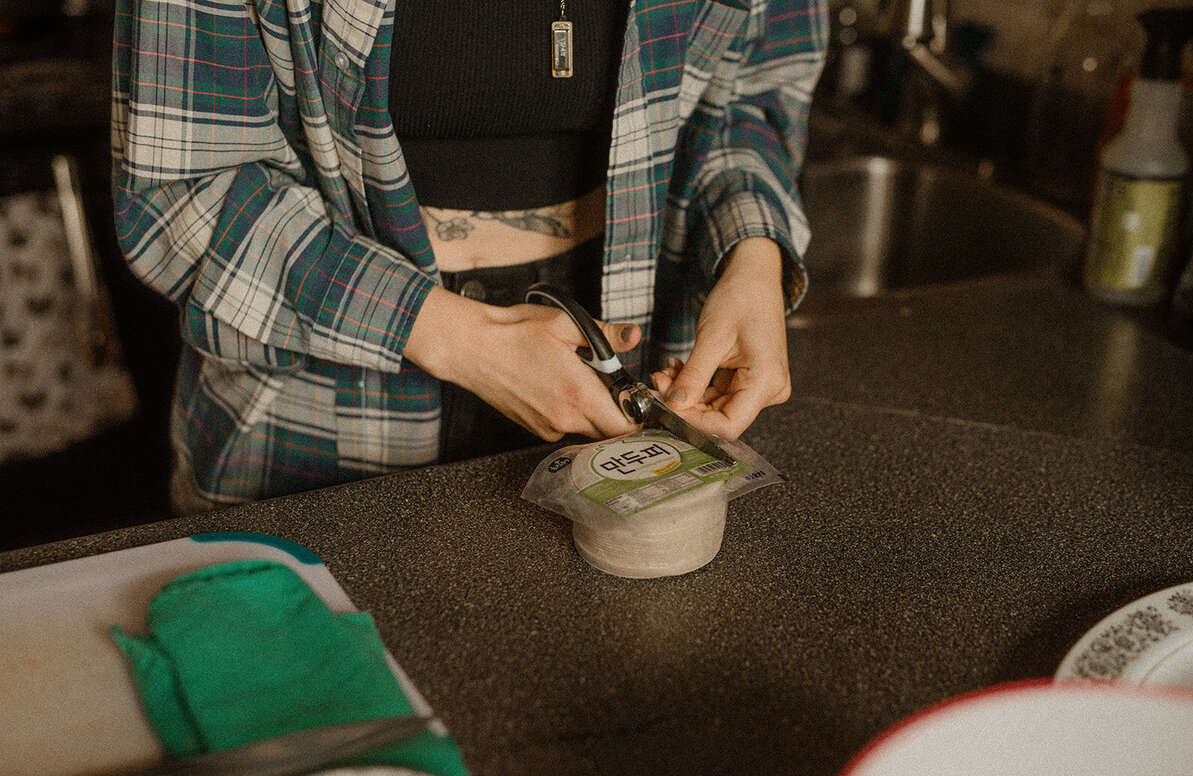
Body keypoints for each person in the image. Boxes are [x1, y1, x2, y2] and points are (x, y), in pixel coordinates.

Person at [112, 0, 828, 514]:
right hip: (322, 410)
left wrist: (753, 252)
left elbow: (749, 100)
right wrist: (454, 336)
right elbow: (183, 187)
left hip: (631, 379)